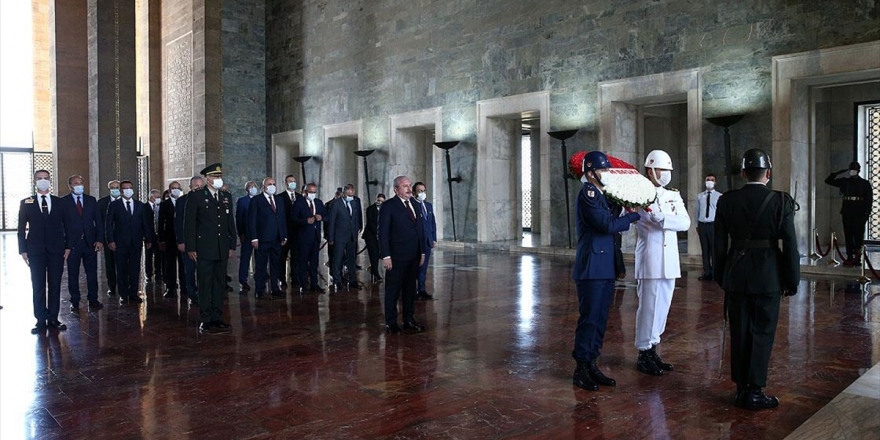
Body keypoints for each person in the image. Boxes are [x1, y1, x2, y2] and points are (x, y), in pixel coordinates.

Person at [715, 148, 799, 410]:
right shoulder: (780, 201)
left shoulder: (727, 200)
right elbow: (791, 246)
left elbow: (719, 244)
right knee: (762, 332)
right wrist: (792, 280)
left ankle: (741, 388)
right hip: (769, 277)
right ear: (768, 173)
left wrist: (721, 275)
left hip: (736, 275)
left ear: (743, 173)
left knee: (739, 331)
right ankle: (755, 390)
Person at [570, 152, 641, 391]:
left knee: (600, 319)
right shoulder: (588, 194)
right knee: (589, 319)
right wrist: (634, 215)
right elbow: (607, 225)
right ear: (590, 174)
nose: (607, 174)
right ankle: (581, 368)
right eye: (604, 170)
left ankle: (592, 363)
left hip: (605, 267)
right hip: (592, 268)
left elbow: (612, 217)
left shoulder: (602, 195)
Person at [633, 149, 691, 376]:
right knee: (648, 308)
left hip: (670, 261)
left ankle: (653, 348)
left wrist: (665, 218)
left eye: (668, 170)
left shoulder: (672, 195)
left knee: (662, 307)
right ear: (650, 170)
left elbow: (684, 222)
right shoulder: (639, 194)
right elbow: (647, 222)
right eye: (661, 170)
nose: (665, 174)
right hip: (651, 258)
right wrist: (666, 220)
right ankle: (643, 352)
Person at [184, 163, 237, 334]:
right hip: (204, 248)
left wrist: (231, 244)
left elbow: (230, 223)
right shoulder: (197, 196)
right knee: (205, 284)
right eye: (215, 177)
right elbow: (190, 224)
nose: (218, 180)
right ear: (207, 179)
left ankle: (217, 317)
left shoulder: (226, 196)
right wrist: (191, 247)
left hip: (221, 248)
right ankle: (205, 319)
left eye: (219, 177)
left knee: (219, 284)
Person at [18, 170, 71, 334]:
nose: (43, 181)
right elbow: (21, 229)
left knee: (55, 284)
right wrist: (23, 250)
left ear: (50, 181)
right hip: (35, 250)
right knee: (38, 285)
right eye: (40, 179)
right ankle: (41, 319)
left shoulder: (60, 202)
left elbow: (68, 226)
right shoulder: (26, 202)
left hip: (57, 250)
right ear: (34, 181)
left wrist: (68, 247)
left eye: (46, 179)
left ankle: (53, 318)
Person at [379, 176, 426, 334]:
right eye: (404, 186)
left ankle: (409, 320)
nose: (408, 188)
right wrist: (386, 255)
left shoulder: (415, 204)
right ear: (396, 189)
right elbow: (383, 233)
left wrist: (422, 252)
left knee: (409, 290)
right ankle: (391, 322)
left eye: (409, 185)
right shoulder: (388, 206)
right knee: (393, 290)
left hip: (413, 256)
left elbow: (420, 229)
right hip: (396, 257)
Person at [105, 180, 155, 305]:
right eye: (125, 188)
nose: (128, 190)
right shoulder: (114, 205)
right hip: (120, 242)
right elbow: (109, 224)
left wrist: (148, 239)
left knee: (135, 268)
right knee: (121, 269)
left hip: (136, 242)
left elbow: (145, 223)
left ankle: (133, 293)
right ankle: (123, 294)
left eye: (130, 188)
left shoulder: (140, 205)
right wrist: (110, 240)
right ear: (121, 191)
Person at [62, 174, 104, 311]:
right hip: (72, 244)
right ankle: (74, 300)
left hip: (90, 243)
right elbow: (61, 224)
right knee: (73, 274)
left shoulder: (91, 200)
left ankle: (93, 299)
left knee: (92, 273)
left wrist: (99, 239)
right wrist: (65, 243)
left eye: (80, 182)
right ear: (70, 186)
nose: (79, 185)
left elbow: (98, 221)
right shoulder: (64, 202)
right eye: (75, 183)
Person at [824, 161, 873, 265]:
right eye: (851, 169)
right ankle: (849, 256)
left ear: (858, 171)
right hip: (847, 211)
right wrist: (839, 172)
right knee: (848, 234)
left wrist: (867, 213)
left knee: (858, 235)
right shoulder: (844, 181)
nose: (852, 171)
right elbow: (828, 180)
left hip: (859, 212)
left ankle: (858, 257)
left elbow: (869, 200)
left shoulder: (864, 183)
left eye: (854, 169)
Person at [248, 177, 288, 299]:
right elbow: (252, 220)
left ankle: (275, 288)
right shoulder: (256, 200)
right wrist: (254, 238)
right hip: (262, 239)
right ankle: (260, 290)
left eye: (274, 184)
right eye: (269, 184)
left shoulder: (279, 200)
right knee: (261, 265)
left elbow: (282, 218)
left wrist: (284, 234)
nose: (272, 186)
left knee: (275, 264)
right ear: (264, 186)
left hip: (277, 239)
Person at [326, 183, 363, 291]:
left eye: (352, 194)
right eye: (348, 194)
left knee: (351, 260)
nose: (351, 196)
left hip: (351, 236)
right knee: (338, 259)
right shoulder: (336, 204)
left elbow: (356, 218)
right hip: (339, 237)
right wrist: (331, 238)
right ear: (343, 193)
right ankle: (337, 281)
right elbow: (331, 222)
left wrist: (356, 231)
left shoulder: (354, 202)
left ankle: (353, 281)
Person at [292, 182, 326, 293]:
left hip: (315, 238)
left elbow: (327, 216)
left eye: (314, 192)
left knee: (314, 262)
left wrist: (321, 217)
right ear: (305, 192)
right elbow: (293, 219)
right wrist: (305, 221)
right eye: (310, 192)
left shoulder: (319, 202)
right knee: (303, 262)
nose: (313, 194)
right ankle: (303, 285)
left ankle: (314, 284)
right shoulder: (299, 203)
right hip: (303, 238)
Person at [177, 176, 204, 305]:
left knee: (204, 270)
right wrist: (181, 241)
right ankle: (192, 294)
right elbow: (179, 223)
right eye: (195, 186)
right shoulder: (182, 201)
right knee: (189, 270)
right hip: (188, 242)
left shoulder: (207, 199)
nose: (198, 188)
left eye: (200, 186)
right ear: (190, 187)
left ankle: (203, 293)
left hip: (204, 242)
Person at [158, 181, 185, 298]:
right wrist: (161, 239)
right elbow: (160, 223)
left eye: (177, 188)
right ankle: (170, 287)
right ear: (169, 191)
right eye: (173, 188)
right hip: (169, 238)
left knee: (184, 264)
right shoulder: (165, 204)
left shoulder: (185, 202)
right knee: (170, 264)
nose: (175, 190)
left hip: (183, 239)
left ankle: (185, 287)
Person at [97, 180, 121, 296]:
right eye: (113, 187)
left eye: (117, 187)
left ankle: (124, 286)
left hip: (123, 238)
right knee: (110, 264)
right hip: (108, 238)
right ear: (109, 189)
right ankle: (112, 286)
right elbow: (99, 222)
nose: (115, 189)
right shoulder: (102, 203)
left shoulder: (125, 201)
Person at [413, 182, 437, 300]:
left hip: (427, 241)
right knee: (413, 268)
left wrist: (434, 238)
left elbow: (432, 223)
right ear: (414, 193)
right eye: (419, 191)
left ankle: (421, 289)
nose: (422, 193)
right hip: (416, 243)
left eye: (424, 190)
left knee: (424, 268)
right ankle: (411, 291)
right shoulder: (412, 205)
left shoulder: (428, 205)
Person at [696, 173, 721, 281]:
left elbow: (720, 212)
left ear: (715, 182)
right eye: (707, 179)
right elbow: (696, 211)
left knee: (714, 249)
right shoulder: (700, 196)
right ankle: (707, 271)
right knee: (705, 249)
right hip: (703, 224)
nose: (709, 181)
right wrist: (697, 225)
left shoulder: (719, 196)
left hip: (713, 224)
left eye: (712, 179)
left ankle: (716, 272)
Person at [236, 181, 259, 291]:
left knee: (260, 257)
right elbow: (239, 218)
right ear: (247, 189)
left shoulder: (260, 200)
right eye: (251, 187)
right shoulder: (242, 201)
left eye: (255, 186)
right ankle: (243, 280)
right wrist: (241, 233)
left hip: (260, 234)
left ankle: (259, 275)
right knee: (245, 257)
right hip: (247, 234)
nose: (253, 188)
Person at [279, 174, 300, 288]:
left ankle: (295, 277)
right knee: (282, 256)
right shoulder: (280, 197)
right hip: (285, 232)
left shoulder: (299, 197)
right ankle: (281, 278)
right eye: (290, 181)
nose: (293, 183)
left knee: (296, 256)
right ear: (286, 183)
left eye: (294, 181)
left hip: (297, 233)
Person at [363, 193, 386, 283]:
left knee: (378, 254)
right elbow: (370, 222)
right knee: (373, 254)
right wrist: (377, 232)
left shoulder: (384, 209)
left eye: (382, 201)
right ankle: (375, 273)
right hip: (370, 235)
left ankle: (373, 269)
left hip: (380, 236)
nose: (379, 202)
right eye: (378, 200)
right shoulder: (370, 209)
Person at [145, 189, 164, 284]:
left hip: (158, 236)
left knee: (159, 255)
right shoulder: (144, 207)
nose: (159, 199)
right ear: (152, 197)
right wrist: (146, 237)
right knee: (148, 256)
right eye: (157, 197)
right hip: (149, 236)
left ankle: (158, 273)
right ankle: (148, 274)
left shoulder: (161, 207)